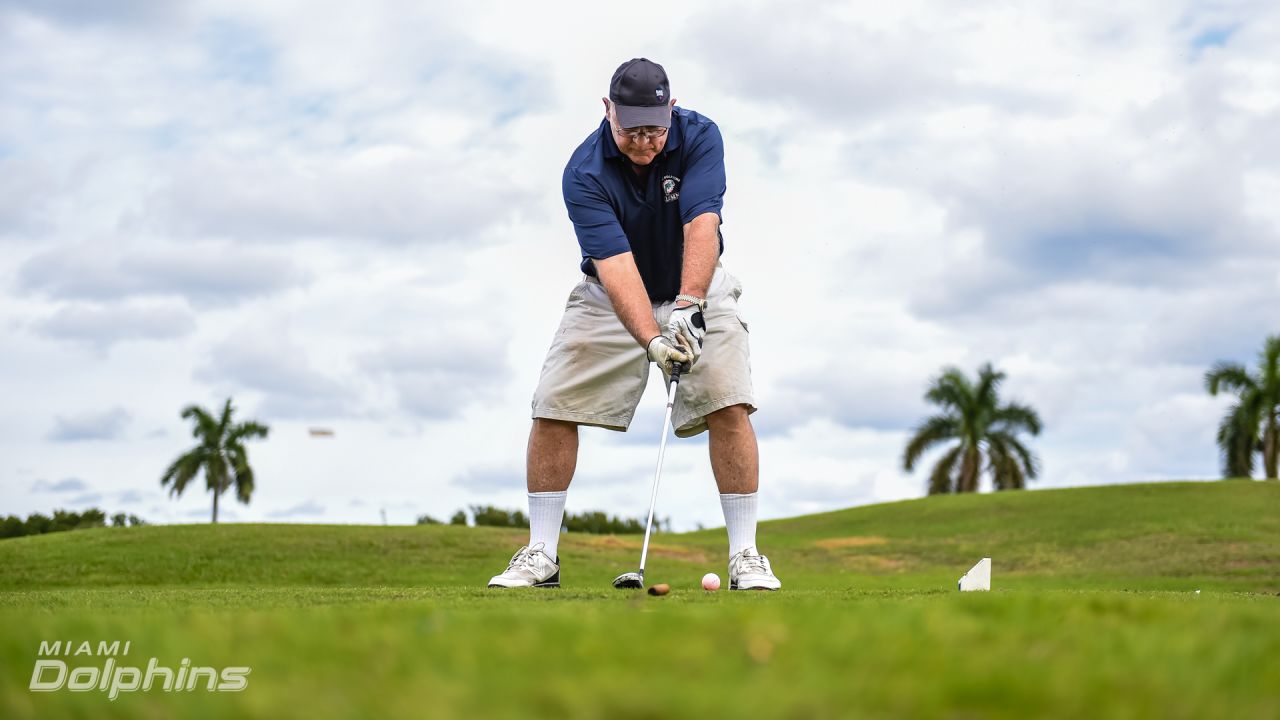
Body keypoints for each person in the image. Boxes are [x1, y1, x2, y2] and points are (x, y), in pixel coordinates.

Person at [488, 58, 781, 591]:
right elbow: (616, 265)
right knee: (554, 403)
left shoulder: (699, 136)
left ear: (671, 110)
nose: (645, 142)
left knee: (729, 400)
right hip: (613, 294)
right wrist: (652, 339)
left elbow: (702, 223)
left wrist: (691, 306)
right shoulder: (584, 172)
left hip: (697, 281)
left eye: (654, 129)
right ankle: (541, 556)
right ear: (608, 113)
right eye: (631, 130)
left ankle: (746, 556)